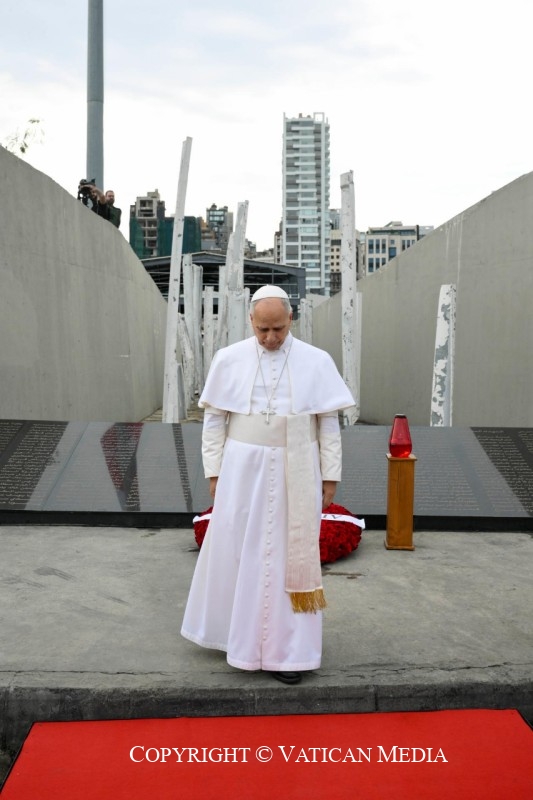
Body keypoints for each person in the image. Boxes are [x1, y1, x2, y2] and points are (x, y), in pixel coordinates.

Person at [181, 285, 355, 684]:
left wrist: (330, 475)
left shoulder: (317, 360)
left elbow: (328, 423)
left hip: (298, 467)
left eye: (278, 329)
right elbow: (214, 421)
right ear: (251, 322)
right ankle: (238, 638)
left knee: (287, 557)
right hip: (242, 470)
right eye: (263, 330)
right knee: (240, 551)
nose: (271, 338)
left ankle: (288, 653)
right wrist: (214, 472)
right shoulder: (229, 358)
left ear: (291, 319)